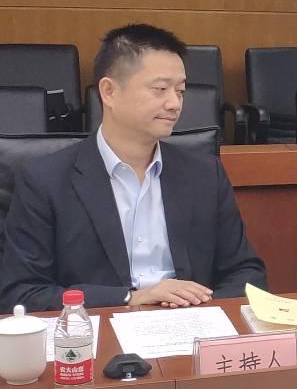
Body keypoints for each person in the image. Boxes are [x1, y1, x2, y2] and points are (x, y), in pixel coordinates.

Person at [0, 24, 267, 313]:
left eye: (180, 91)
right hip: (99, 328)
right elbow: (22, 292)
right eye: (160, 89)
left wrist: (201, 307)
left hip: (191, 324)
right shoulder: (45, 179)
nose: (174, 103)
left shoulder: (205, 174)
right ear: (109, 91)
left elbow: (247, 272)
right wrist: (129, 297)